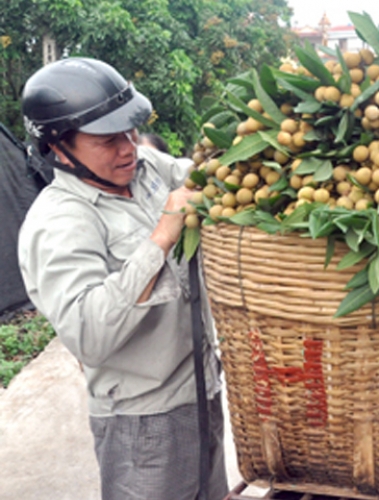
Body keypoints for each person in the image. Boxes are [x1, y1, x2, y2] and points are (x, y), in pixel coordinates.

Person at [17, 57, 228, 500]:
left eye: (130, 132)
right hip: (143, 425)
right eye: (108, 139)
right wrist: (161, 239)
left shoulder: (142, 169)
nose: (128, 148)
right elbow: (89, 334)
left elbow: (196, 176)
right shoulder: (59, 222)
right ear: (59, 147)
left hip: (202, 395)